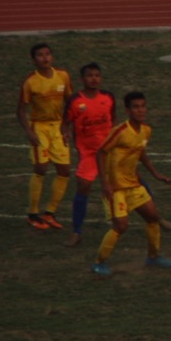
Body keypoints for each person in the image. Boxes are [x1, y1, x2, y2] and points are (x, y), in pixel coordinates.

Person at [92, 92, 171, 278]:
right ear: (128, 110)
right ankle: (99, 262)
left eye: (143, 106)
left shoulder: (146, 130)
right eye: (136, 107)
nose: (140, 110)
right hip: (116, 188)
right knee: (121, 226)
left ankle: (153, 257)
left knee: (152, 218)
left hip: (134, 184)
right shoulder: (120, 131)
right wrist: (104, 183)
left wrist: (156, 174)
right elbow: (101, 153)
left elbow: (141, 153)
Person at [17, 42, 73, 231]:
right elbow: (20, 110)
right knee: (40, 168)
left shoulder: (63, 76)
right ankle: (33, 213)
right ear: (34, 59)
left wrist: (66, 127)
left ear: (52, 57)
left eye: (48, 54)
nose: (45, 58)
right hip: (39, 127)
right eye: (40, 55)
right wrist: (29, 131)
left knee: (64, 170)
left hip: (57, 127)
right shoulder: (30, 81)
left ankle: (50, 213)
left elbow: (70, 104)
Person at [62, 62, 117, 247]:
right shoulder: (75, 101)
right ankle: (76, 232)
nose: (94, 78)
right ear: (82, 79)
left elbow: (114, 119)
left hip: (109, 151)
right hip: (89, 154)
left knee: (134, 179)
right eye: (90, 75)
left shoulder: (108, 97)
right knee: (83, 187)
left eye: (97, 75)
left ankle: (155, 218)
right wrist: (65, 132)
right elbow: (65, 122)